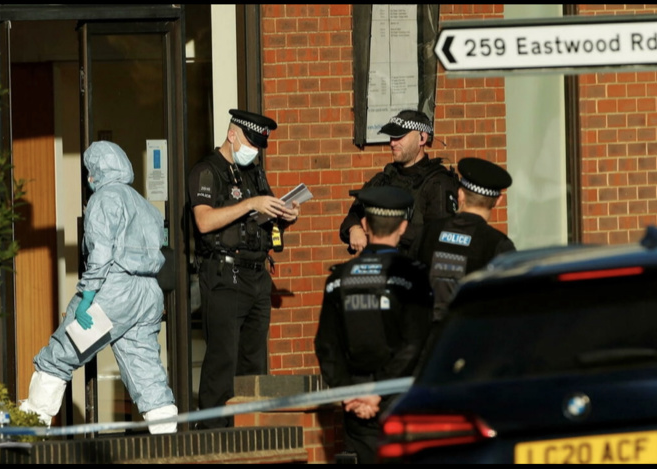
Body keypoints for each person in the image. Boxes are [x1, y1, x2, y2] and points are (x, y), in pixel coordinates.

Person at [19, 141, 178, 434]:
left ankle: (30, 431)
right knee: (146, 371)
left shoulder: (104, 199)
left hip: (113, 292)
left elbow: (101, 254)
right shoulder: (144, 204)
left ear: (96, 172)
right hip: (147, 295)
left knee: (61, 353)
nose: (88, 178)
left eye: (90, 172)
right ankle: (169, 440)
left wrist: (87, 297)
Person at [187, 109, 300, 429]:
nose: (254, 150)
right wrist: (251, 204)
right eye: (250, 141)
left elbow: (259, 224)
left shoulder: (254, 173)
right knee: (223, 362)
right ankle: (212, 436)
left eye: (259, 145)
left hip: (257, 276)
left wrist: (284, 215)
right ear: (232, 134)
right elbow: (204, 220)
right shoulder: (207, 171)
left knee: (253, 366)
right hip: (225, 276)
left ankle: (250, 435)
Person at [316, 186, 434, 464]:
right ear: (403, 227)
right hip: (399, 402)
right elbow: (416, 344)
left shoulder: (338, 278)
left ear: (365, 225)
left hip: (356, 407)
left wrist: (351, 394)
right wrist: (377, 392)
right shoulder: (413, 277)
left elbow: (326, 346)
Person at [339, 109, 460, 256]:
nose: (392, 143)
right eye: (391, 137)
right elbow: (354, 214)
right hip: (381, 270)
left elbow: (441, 238)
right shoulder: (385, 178)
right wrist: (354, 229)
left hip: (416, 272)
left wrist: (392, 229)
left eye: (399, 137)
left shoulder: (438, 183)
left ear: (422, 138)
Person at [411, 157, 516, 323]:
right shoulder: (497, 245)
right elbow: (509, 304)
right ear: (498, 201)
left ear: (460, 194)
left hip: (429, 340)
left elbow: (411, 287)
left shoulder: (428, 232)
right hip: (472, 340)